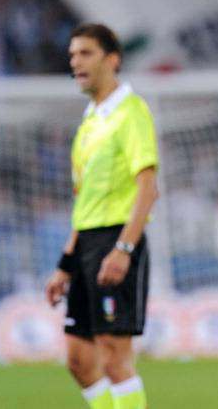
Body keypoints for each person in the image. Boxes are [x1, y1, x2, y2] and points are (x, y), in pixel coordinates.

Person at [45, 23, 159, 409]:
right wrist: (65, 264)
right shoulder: (89, 122)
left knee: (114, 360)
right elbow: (84, 205)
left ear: (112, 59)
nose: (75, 62)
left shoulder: (131, 111)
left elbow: (148, 188)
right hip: (86, 244)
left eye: (85, 53)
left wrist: (124, 249)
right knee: (78, 360)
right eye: (72, 55)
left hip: (117, 240)